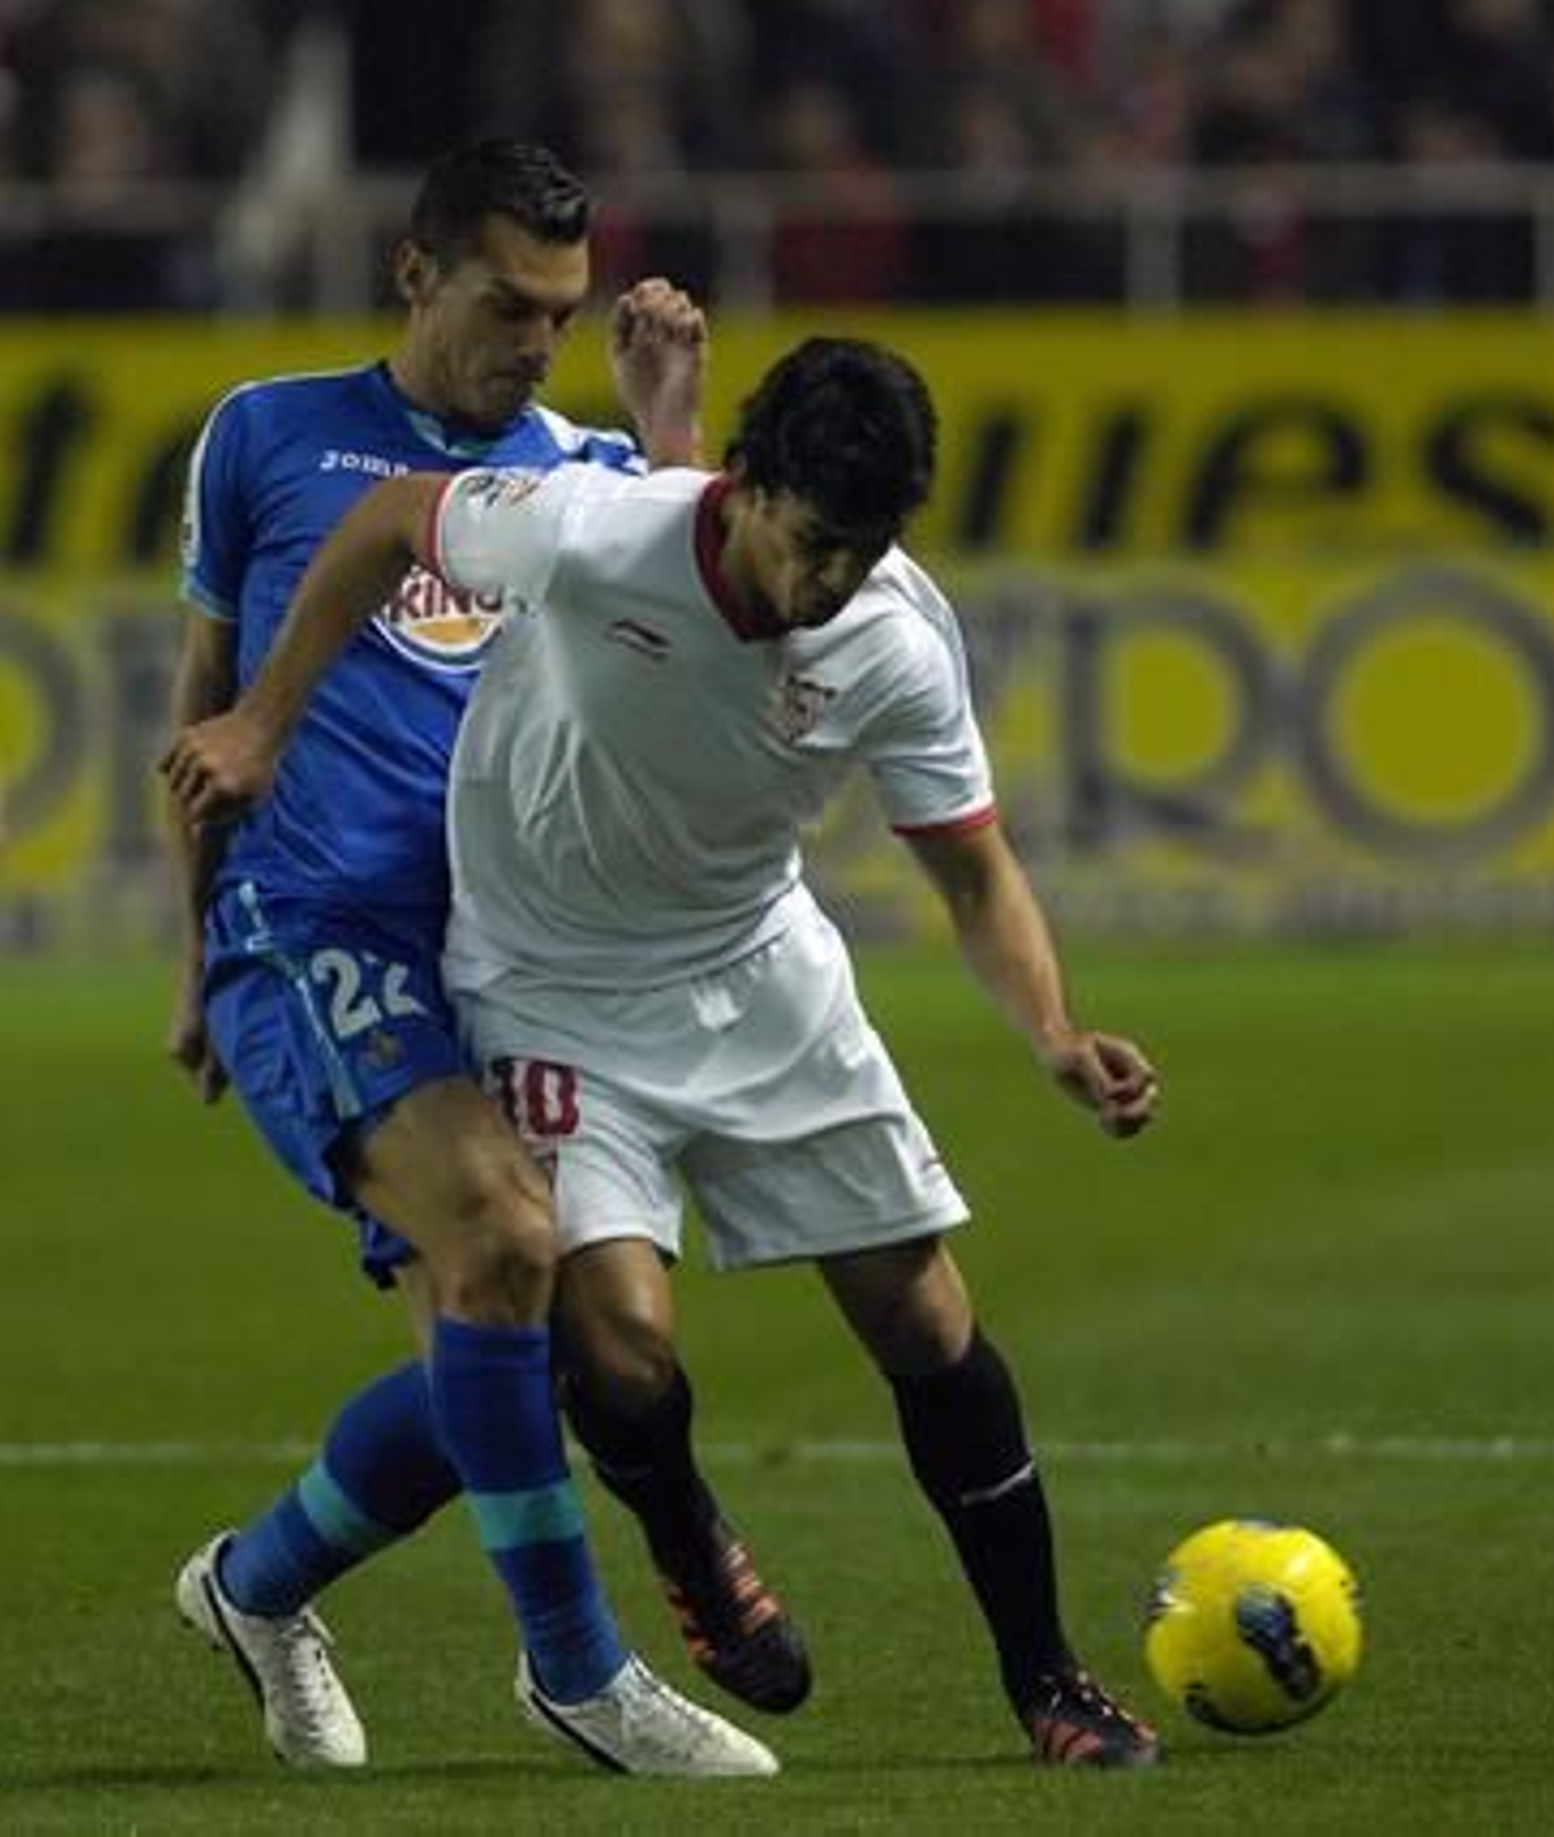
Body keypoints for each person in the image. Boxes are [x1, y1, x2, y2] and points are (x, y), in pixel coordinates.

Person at [163, 335, 1165, 1770]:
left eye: (862, 549)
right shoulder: (595, 528)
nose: (827, 583)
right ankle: (683, 1538)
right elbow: (391, 524)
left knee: (929, 1323)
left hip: (763, 977)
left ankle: (1049, 1677)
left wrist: (1055, 1031)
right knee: (612, 1344)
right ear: (745, 487)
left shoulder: (892, 628)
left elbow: (972, 867)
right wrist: (262, 716)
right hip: (547, 984)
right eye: (813, 542)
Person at [160, 136, 791, 1778]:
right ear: (416, 271)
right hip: (317, 921)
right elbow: (210, 709)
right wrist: (195, 960)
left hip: (512, 948)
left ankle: (256, 1584)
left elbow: (690, 665)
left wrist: (666, 434)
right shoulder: (264, 434)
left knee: (536, 1346)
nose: (534, 341)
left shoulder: (579, 465)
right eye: (508, 304)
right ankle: (578, 1671)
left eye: (562, 313)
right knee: (504, 1237)